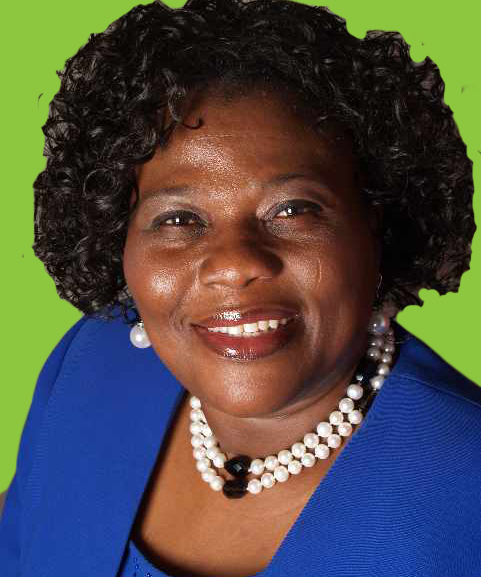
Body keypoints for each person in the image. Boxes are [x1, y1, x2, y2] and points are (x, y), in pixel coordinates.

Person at [1, 0, 480, 575]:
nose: (234, 264)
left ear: (375, 223)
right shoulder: (89, 368)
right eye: (179, 219)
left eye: (293, 209)